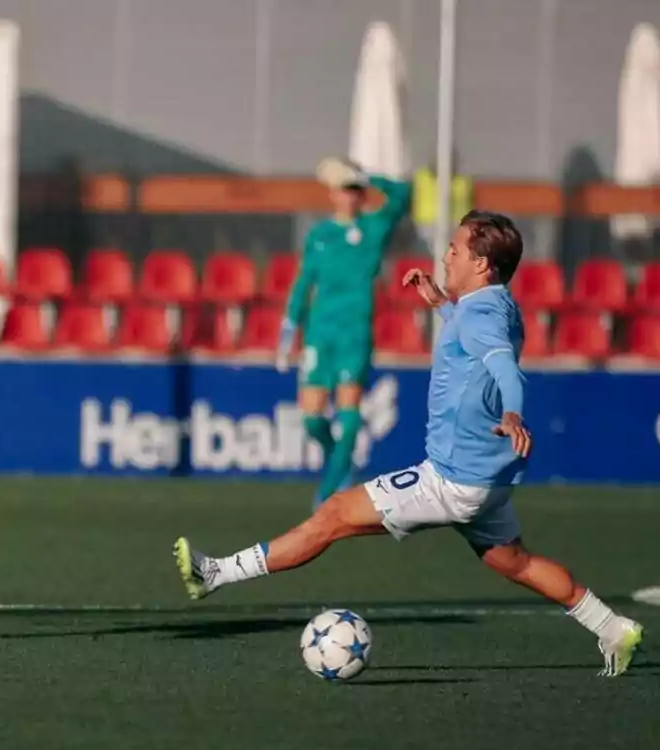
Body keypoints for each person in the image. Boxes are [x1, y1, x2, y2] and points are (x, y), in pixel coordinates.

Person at [176, 210, 644, 677]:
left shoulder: (481, 315)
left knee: (335, 515)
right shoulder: (495, 303)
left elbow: (504, 368)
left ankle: (217, 572)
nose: (445, 255)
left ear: (481, 264)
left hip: (453, 478)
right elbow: (477, 340)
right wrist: (440, 303)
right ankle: (612, 626)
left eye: (456, 249)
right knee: (516, 563)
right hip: (486, 479)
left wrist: (513, 413)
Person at [277, 157, 411, 508]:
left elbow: (403, 196)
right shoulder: (320, 235)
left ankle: (329, 491)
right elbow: (305, 280)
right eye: (345, 189)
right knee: (311, 420)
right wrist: (289, 325)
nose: (351, 196)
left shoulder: (373, 229)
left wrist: (370, 176)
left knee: (349, 416)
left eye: (356, 190)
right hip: (320, 334)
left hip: (354, 333)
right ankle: (340, 459)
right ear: (333, 195)